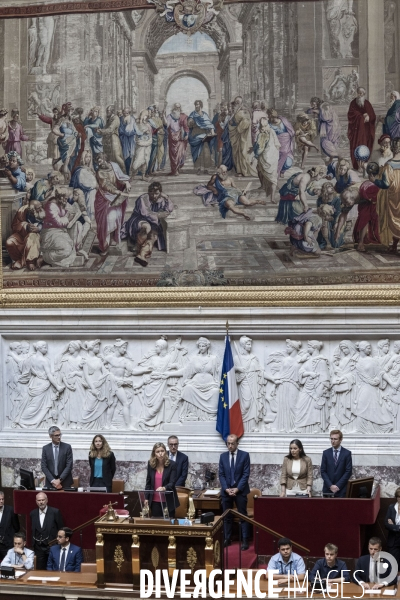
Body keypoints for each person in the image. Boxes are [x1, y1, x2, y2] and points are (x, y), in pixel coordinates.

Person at [121, 181, 173, 267]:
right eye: (151, 193)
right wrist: (159, 215)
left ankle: (141, 255)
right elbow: (146, 213)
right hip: (138, 219)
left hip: (153, 222)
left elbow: (169, 209)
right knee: (146, 227)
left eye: (156, 193)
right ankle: (138, 249)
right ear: (148, 192)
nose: (154, 196)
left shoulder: (161, 199)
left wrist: (167, 197)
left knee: (153, 236)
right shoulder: (143, 198)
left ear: (160, 193)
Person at [94, 153, 130, 256]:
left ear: (105, 158)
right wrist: (118, 192)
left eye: (100, 160)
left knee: (116, 219)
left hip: (115, 197)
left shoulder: (114, 165)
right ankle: (105, 246)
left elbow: (120, 177)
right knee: (106, 222)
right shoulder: (100, 172)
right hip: (104, 198)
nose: (99, 163)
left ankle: (113, 242)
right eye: (97, 162)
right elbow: (106, 185)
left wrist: (126, 182)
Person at [218, 434, 250, 550]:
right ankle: (227, 538)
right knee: (227, 516)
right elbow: (221, 474)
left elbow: (246, 474)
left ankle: (245, 540)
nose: (230, 446)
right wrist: (226, 488)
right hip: (226, 491)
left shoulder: (244, 455)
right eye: (228, 443)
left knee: (242, 515)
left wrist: (237, 489)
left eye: (232, 443)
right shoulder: (223, 456)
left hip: (240, 491)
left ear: (237, 443)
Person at [373, 138, 400, 253]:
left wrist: (374, 180)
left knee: (395, 220)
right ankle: (394, 245)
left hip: (394, 197)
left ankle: (394, 245)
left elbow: (385, 184)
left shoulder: (389, 166)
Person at [5, 199, 45, 271]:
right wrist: (26, 226)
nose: (41, 209)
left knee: (32, 237)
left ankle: (30, 261)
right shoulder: (22, 211)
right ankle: (20, 260)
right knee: (10, 242)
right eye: (38, 208)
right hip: (22, 235)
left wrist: (38, 229)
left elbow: (47, 223)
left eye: (40, 207)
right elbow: (14, 226)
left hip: (38, 236)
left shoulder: (42, 212)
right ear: (32, 210)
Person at [30, 492, 64, 569]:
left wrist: (58, 542)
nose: (41, 502)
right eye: (39, 500)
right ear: (36, 501)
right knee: (40, 569)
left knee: (53, 568)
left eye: (43, 500)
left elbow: (61, 528)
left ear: (47, 500)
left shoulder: (55, 512)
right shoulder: (33, 513)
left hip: (52, 545)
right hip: (38, 547)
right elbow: (32, 529)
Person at [145, 442, 179, 518]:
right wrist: (146, 498)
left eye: (162, 451)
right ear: (154, 454)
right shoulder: (151, 464)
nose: (160, 453)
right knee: (156, 525)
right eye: (158, 452)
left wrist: (164, 488)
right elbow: (148, 482)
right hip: (154, 501)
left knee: (169, 525)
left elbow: (172, 482)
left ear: (165, 452)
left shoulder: (172, 464)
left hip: (168, 500)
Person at [347, 87, 376, 170]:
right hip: (356, 132)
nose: (361, 94)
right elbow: (350, 114)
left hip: (366, 132)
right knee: (357, 146)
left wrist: (369, 116)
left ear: (364, 94)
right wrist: (361, 116)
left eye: (362, 93)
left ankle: (363, 165)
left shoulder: (367, 103)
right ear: (357, 93)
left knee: (365, 146)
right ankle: (357, 166)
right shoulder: (353, 103)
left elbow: (373, 116)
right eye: (359, 93)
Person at [253, 117, 280, 203]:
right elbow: (277, 144)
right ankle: (272, 197)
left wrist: (255, 154)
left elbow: (260, 148)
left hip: (265, 157)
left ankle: (263, 186)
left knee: (259, 169)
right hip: (273, 157)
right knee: (273, 178)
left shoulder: (262, 134)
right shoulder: (271, 131)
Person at [228, 96, 257, 177]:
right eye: (236, 102)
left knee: (243, 151)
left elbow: (246, 121)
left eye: (238, 102)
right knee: (236, 153)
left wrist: (238, 128)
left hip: (243, 136)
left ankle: (244, 171)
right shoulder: (236, 111)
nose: (236, 104)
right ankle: (239, 170)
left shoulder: (245, 111)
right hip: (236, 135)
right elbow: (232, 120)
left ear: (241, 103)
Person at [320, 429, 352, 497]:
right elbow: (323, 471)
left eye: (335, 439)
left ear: (340, 440)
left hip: (341, 489)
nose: (333, 441)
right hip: (328, 489)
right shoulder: (326, 453)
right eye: (331, 439)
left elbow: (348, 471)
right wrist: (330, 485)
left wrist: (338, 486)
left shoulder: (347, 453)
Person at [41, 425, 73, 490]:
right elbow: (44, 466)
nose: (59, 437)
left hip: (65, 482)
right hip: (50, 483)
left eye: (60, 435)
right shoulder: (45, 448)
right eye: (56, 435)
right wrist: (53, 480)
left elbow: (69, 466)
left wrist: (59, 480)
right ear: (50, 436)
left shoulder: (67, 447)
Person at [187, 100, 215, 175]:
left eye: (198, 104)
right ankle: (198, 169)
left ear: (201, 106)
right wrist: (190, 122)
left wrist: (212, 132)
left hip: (204, 136)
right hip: (195, 135)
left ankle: (206, 169)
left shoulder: (205, 115)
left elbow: (209, 124)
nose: (197, 106)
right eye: (196, 104)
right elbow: (189, 124)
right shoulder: (192, 114)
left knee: (206, 152)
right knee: (197, 153)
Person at [97, 105, 125, 173]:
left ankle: (124, 172)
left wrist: (101, 131)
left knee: (116, 156)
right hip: (108, 140)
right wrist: (99, 130)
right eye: (106, 111)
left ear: (112, 111)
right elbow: (105, 128)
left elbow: (110, 129)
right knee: (109, 158)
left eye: (108, 111)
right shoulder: (109, 119)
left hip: (113, 139)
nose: (107, 112)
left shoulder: (115, 118)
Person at [163, 103, 189, 176]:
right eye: (176, 107)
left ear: (180, 108)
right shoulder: (170, 116)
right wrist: (163, 116)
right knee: (173, 155)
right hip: (172, 138)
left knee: (180, 155)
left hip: (180, 138)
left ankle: (177, 169)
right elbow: (166, 124)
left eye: (178, 108)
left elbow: (186, 126)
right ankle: (174, 170)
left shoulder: (183, 116)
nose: (177, 109)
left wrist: (187, 134)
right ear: (173, 108)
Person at [0, 491, 20, 561]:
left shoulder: (10, 510)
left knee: (8, 565)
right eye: (0, 499)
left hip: (7, 545)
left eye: (2, 499)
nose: (1, 501)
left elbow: (16, 527)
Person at [384, 487, 400, 567]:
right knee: (393, 565)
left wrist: (393, 526)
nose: (399, 499)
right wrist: (398, 528)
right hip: (393, 541)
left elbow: (390, 525)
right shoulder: (391, 507)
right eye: (398, 497)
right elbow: (386, 524)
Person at [118, 107, 137, 174]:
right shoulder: (120, 119)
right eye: (124, 113)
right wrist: (126, 133)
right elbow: (119, 130)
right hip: (123, 139)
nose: (126, 114)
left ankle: (128, 171)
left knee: (130, 155)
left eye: (127, 113)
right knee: (123, 155)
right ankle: (124, 171)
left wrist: (131, 133)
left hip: (131, 140)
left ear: (129, 113)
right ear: (123, 112)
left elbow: (135, 130)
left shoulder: (132, 119)